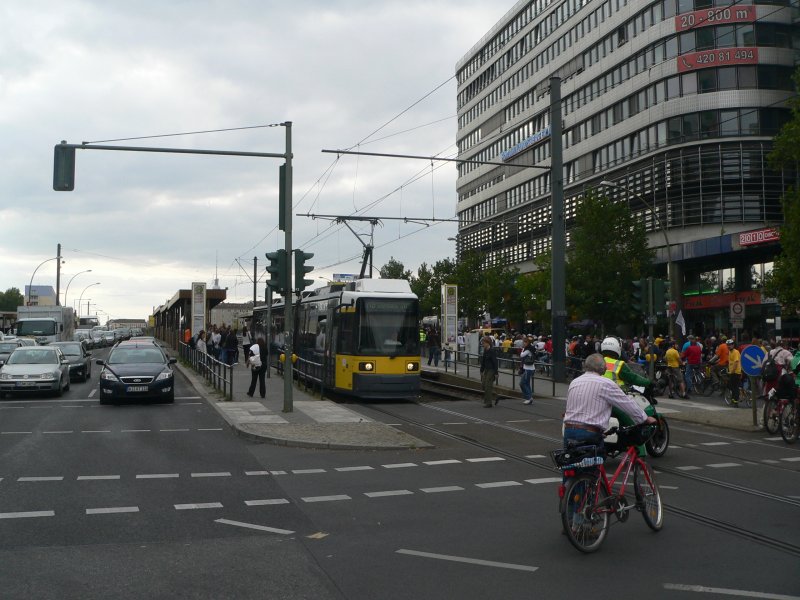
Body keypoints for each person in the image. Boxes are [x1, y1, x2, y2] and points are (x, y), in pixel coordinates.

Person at [563, 353, 657, 453]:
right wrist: (645, 419)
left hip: (569, 431)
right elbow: (627, 404)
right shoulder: (606, 383)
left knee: (572, 463)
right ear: (603, 367)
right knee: (594, 464)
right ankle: (640, 451)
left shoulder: (575, 382)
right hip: (590, 433)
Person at [479, 336, 498, 407]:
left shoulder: (492, 351)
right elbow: (483, 361)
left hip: (491, 370)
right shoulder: (485, 350)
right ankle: (496, 396)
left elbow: (495, 362)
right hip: (486, 369)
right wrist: (481, 370)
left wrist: (496, 372)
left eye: (483, 343)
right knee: (484, 385)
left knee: (487, 386)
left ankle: (488, 402)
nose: (482, 344)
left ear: (488, 343)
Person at [519, 336, 535, 405]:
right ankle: (529, 397)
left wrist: (522, 349)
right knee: (527, 383)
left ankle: (528, 398)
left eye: (525, 342)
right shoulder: (530, 348)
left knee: (522, 383)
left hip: (529, 369)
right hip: (529, 368)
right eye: (523, 342)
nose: (524, 343)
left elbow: (521, 355)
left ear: (528, 343)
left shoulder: (528, 349)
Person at [726, 339, 742, 405]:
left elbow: (736, 362)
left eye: (730, 345)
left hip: (736, 372)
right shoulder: (730, 352)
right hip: (732, 372)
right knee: (731, 385)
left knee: (735, 387)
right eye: (728, 345)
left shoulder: (736, 352)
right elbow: (730, 362)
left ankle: (735, 401)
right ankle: (733, 399)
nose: (729, 346)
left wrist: (732, 371)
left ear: (733, 345)